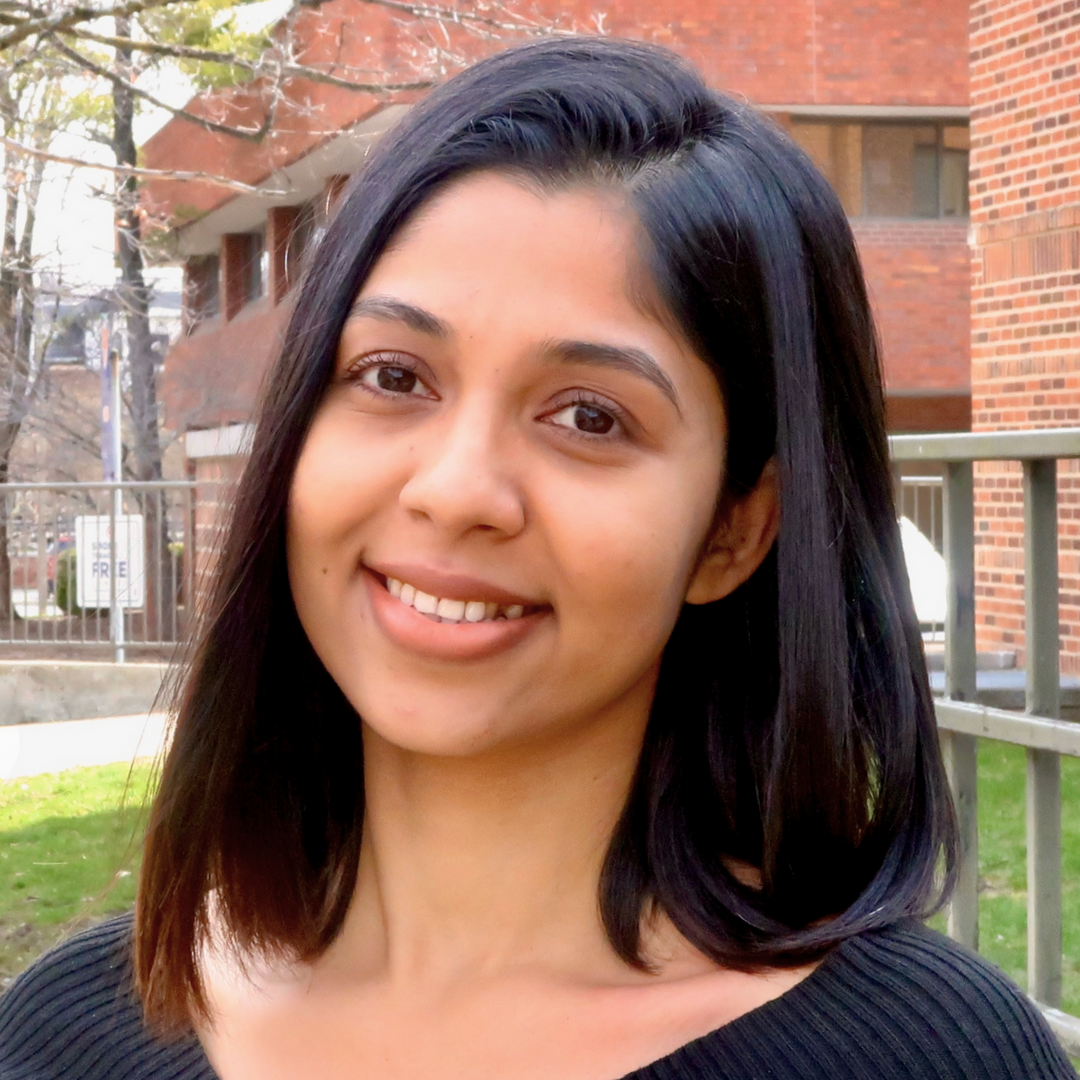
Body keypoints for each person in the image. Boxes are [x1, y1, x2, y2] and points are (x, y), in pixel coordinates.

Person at [0, 36, 1075, 1080]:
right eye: (393, 376)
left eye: (591, 416)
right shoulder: (72, 1031)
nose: (457, 489)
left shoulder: (919, 1057)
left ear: (733, 530)